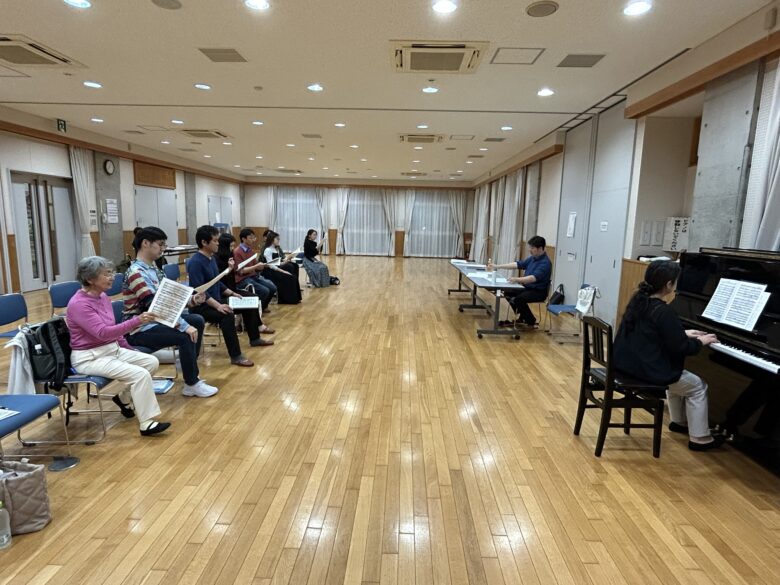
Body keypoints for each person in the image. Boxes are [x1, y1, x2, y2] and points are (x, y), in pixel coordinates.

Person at [613, 260, 725, 452]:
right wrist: (701, 341)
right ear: (669, 284)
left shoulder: (639, 301)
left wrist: (682, 333)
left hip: (628, 365)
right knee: (698, 387)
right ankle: (700, 438)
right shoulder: (663, 310)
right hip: (646, 371)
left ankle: (678, 421)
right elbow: (682, 347)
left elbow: (653, 333)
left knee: (676, 373)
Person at [66, 256, 170, 436]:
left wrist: (128, 349)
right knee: (140, 374)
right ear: (90, 279)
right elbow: (103, 333)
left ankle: (123, 399)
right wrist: (137, 321)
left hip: (110, 349)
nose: (112, 277)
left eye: (111, 273)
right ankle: (147, 423)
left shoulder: (103, 296)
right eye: (106, 274)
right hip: (90, 357)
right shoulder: (79, 304)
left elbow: (113, 330)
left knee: (150, 362)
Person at [122, 226, 218, 398]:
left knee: (197, 320)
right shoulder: (136, 272)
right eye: (160, 244)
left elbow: (171, 298)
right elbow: (154, 306)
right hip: (138, 329)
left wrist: (193, 300)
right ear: (145, 243)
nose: (163, 249)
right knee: (185, 334)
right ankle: (191, 383)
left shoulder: (154, 269)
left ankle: (188, 363)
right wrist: (184, 326)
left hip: (155, 322)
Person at [187, 225, 264, 367]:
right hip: (202, 306)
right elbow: (200, 291)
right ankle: (236, 356)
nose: (218, 243)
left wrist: (233, 293)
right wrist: (218, 306)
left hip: (216, 301)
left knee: (249, 301)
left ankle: (255, 339)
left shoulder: (211, 259)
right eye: (215, 241)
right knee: (227, 314)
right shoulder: (195, 262)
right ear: (204, 242)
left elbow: (217, 282)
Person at [215, 233, 275, 342]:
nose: (232, 249)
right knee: (252, 298)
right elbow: (220, 282)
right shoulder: (217, 260)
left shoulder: (229, 257)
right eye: (230, 246)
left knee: (253, 297)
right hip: (223, 294)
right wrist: (230, 270)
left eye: (233, 246)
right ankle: (254, 329)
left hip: (232, 289)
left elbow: (233, 276)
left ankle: (255, 334)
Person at [487, 235, 551, 328]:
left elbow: (533, 278)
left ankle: (531, 321)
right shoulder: (533, 258)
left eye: (532, 248)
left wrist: (516, 279)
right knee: (508, 291)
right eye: (530, 247)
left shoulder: (545, 263)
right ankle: (522, 315)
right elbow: (517, 264)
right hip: (527, 288)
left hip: (538, 291)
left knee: (519, 299)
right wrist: (497, 266)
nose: (530, 250)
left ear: (540, 248)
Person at [232, 228, 277, 311]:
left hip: (253, 276)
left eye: (254, 237)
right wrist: (256, 267)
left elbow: (255, 266)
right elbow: (241, 271)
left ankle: (263, 307)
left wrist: (261, 266)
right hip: (242, 279)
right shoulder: (237, 252)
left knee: (273, 287)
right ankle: (255, 311)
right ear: (243, 239)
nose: (253, 240)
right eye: (251, 238)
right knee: (264, 291)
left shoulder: (250, 250)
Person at [261, 230, 302, 304]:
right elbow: (271, 265)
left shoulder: (275, 249)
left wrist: (286, 261)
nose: (278, 240)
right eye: (277, 239)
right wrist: (283, 271)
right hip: (270, 272)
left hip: (275, 270)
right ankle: (287, 299)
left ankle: (296, 298)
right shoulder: (268, 250)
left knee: (293, 276)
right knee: (290, 277)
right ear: (272, 239)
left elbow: (277, 263)